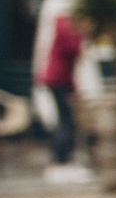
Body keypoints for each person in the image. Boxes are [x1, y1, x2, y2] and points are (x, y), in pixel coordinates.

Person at [37, 9, 89, 185]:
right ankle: (61, 163)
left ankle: (63, 162)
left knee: (64, 120)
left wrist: (74, 89)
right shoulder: (68, 28)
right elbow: (74, 50)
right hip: (58, 79)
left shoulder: (64, 26)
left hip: (60, 79)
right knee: (65, 121)